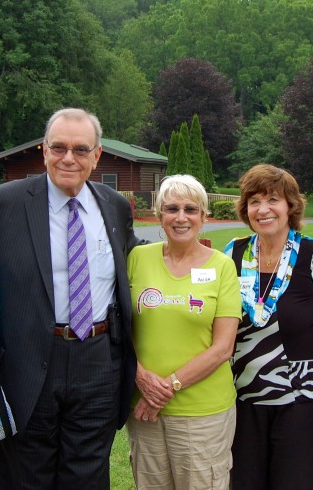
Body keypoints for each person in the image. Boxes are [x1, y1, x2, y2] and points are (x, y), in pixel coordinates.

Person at [0, 107, 140, 490]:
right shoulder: (3, 203)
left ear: (97, 156)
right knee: (26, 474)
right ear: (43, 150)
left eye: (81, 150)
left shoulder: (113, 205)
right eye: (59, 147)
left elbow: (134, 261)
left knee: (88, 475)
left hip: (98, 361)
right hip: (28, 361)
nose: (69, 158)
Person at [223, 164, 313, 490]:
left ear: (290, 206)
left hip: (302, 403)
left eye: (272, 200)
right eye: (254, 201)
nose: (263, 210)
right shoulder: (232, 255)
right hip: (241, 402)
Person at [127, 175, 241, 489]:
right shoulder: (137, 259)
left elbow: (223, 347)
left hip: (202, 413)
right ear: (158, 215)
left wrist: (167, 387)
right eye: (172, 208)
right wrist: (141, 378)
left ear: (204, 217)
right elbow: (119, 329)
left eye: (190, 209)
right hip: (143, 410)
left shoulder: (222, 267)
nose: (181, 217)